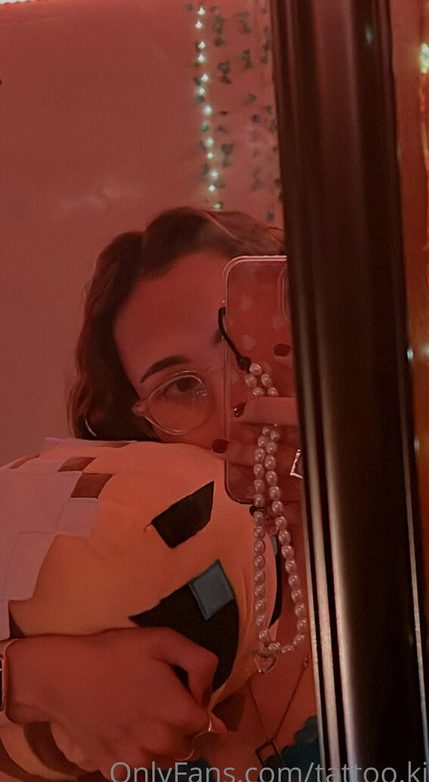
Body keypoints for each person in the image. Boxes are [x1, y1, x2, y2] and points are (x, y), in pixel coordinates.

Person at [1, 207, 318, 779]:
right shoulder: (130, 587)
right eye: (181, 387)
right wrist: (30, 678)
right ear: (142, 434)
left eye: (248, 346)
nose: (237, 405)